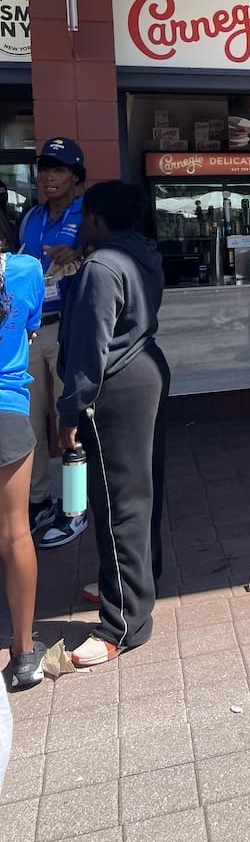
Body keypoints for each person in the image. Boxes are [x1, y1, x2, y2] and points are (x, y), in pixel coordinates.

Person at [56, 181, 170, 668]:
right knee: (142, 493)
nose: (82, 223)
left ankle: (122, 622)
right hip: (147, 372)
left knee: (116, 500)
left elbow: (88, 350)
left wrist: (69, 411)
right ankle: (134, 583)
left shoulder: (103, 266)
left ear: (99, 220)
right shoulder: (142, 253)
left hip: (115, 387)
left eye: (85, 216)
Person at [18, 137, 87, 549]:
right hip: (29, 330)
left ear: (76, 177)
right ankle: (39, 499)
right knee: (28, 422)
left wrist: (79, 251)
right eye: (45, 169)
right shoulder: (30, 218)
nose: (49, 176)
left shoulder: (89, 214)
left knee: (71, 422)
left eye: (58, 169)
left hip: (68, 328)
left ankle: (74, 508)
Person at [0, 248, 46, 689]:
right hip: (7, 412)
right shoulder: (25, 269)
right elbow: (30, 331)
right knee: (15, 532)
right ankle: (24, 653)